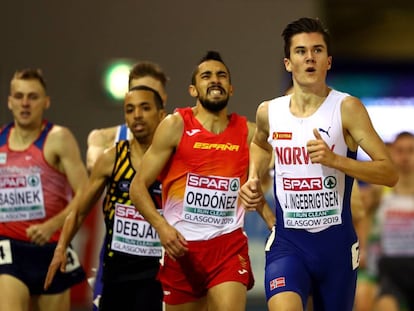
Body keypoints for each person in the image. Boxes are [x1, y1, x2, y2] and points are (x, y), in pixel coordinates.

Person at [239, 17, 398, 311]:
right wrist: (253, 177)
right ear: (288, 63)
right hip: (288, 244)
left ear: (328, 61)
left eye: (317, 50)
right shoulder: (269, 111)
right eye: (300, 51)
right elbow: (260, 144)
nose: (309, 57)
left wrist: (335, 160)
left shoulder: (347, 108)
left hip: (335, 247)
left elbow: (388, 172)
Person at [129, 51, 275, 311]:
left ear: (230, 88)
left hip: (228, 247)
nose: (215, 80)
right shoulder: (176, 125)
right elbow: (137, 187)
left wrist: (262, 199)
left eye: (221, 76)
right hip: (182, 249)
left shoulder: (248, 133)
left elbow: (282, 165)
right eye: (206, 76)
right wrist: (161, 227)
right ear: (193, 89)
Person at [44, 85, 167, 311]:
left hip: (158, 274)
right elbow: (80, 210)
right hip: (116, 273)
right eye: (129, 110)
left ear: (161, 115)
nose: (136, 115)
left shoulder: (173, 161)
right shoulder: (111, 159)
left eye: (144, 108)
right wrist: (60, 249)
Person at [0, 68, 87, 311]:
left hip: (52, 250)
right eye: (18, 96)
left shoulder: (58, 139)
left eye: (33, 97)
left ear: (46, 102)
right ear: (9, 102)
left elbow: (86, 192)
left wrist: (53, 225)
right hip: (9, 247)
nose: (25, 103)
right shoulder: (0, 140)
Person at [85, 61, 169, 310]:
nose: (139, 112)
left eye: (147, 99)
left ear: (161, 100)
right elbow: (94, 167)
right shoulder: (106, 139)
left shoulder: (176, 142)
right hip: (117, 259)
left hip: (159, 261)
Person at [370, 131, 414, 311]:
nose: (405, 157)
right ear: (392, 154)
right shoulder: (378, 192)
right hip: (391, 268)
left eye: (411, 151)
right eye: (400, 151)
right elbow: (361, 218)